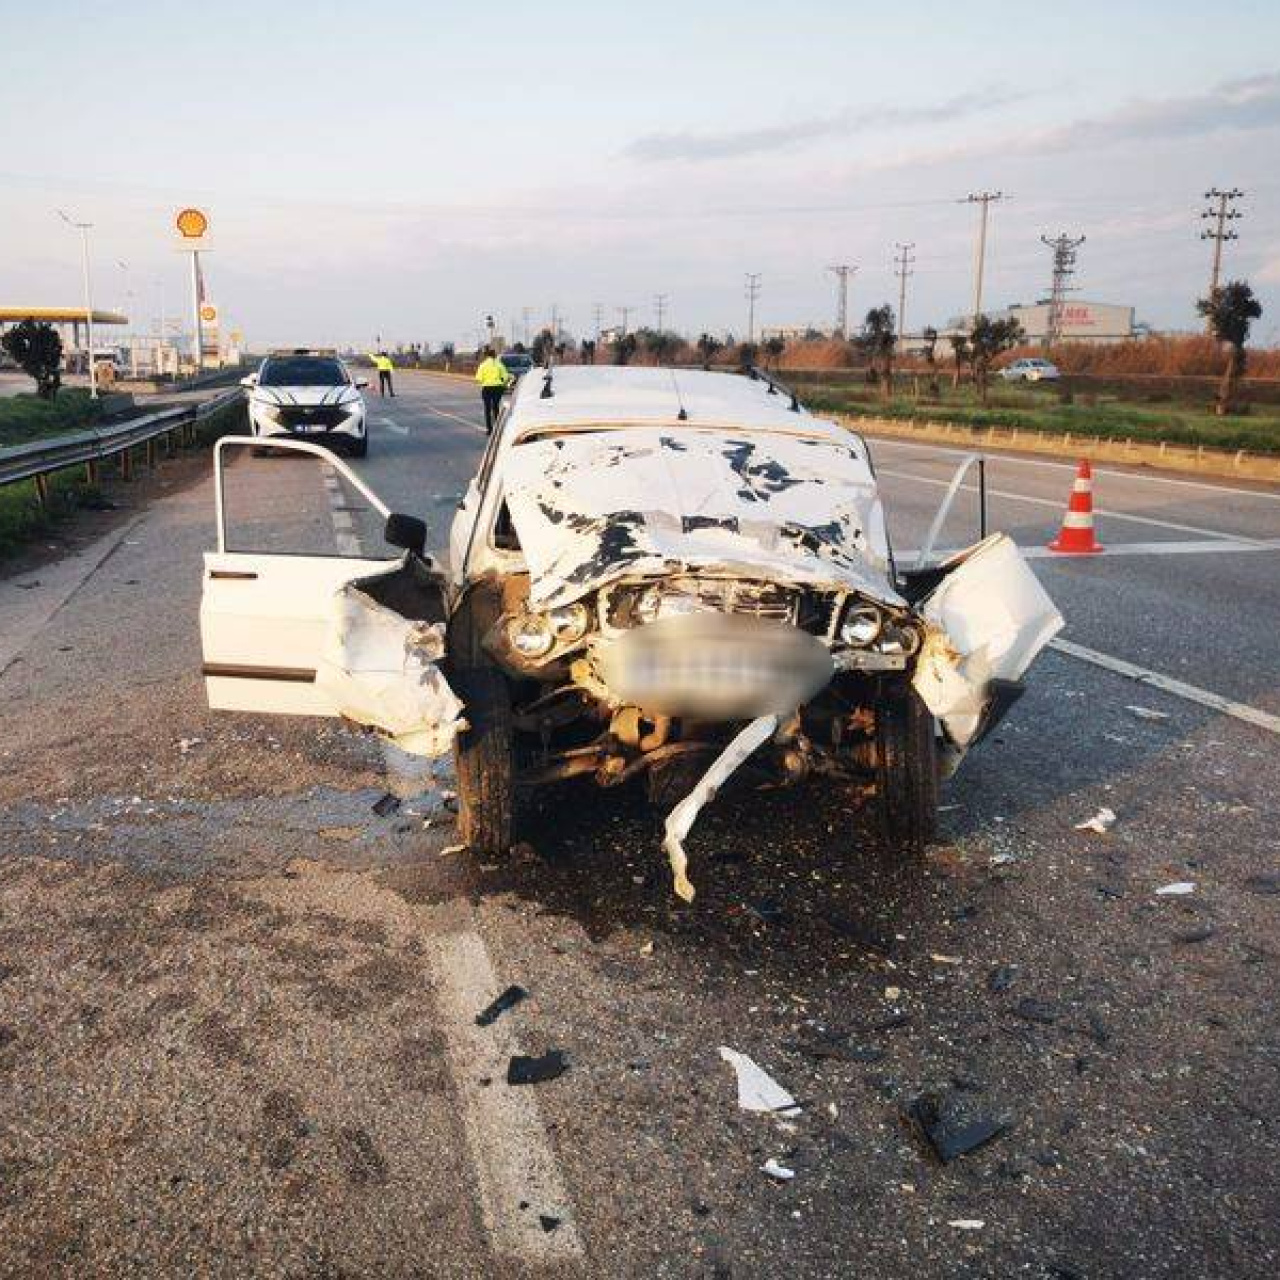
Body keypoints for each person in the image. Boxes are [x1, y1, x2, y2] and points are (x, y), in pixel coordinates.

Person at [475, 346, 512, 434]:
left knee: (487, 409)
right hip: (498, 388)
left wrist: (484, 381)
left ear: (486, 356)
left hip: (487, 388)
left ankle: (489, 429)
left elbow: (478, 379)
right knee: (496, 407)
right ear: (494, 355)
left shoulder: (483, 365)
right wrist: (503, 384)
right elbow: (506, 377)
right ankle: (498, 428)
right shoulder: (499, 364)